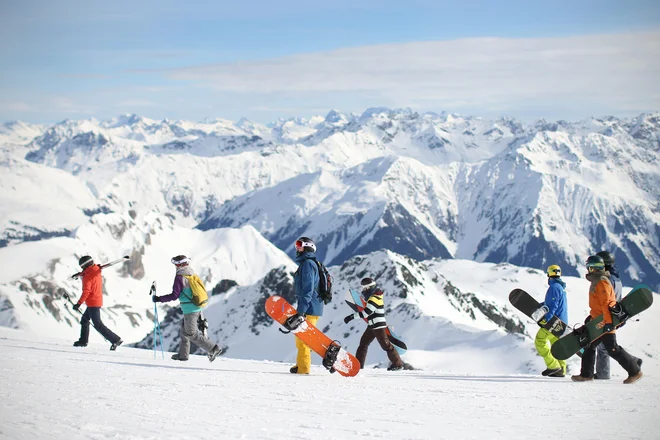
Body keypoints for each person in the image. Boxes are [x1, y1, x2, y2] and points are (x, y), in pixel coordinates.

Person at [571, 255, 643, 384]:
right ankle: (586, 375)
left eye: (590, 267)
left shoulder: (602, 281)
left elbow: (607, 303)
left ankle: (635, 371)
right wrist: (592, 318)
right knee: (589, 344)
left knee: (612, 348)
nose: (588, 270)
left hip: (605, 321)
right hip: (598, 320)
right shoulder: (597, 280)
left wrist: (609, 323)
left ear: (594, 268)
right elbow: (598, 305)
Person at [152, 255, 222, 362]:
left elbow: (174, 295)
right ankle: (183, 355)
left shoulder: (180, 277)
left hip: (190, 310)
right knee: (184, 331)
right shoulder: (191, 273)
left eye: (176, 264)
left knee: (192, 334)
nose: (175, 266)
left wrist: (159, 299)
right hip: (196, 307)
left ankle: (213, 349)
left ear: (180, 264)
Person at [344, 277, 412, 371]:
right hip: (372, 325)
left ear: (368, 288)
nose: (363, 290)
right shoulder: (373, 297)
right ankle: (358, 365)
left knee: (386, 346)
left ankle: (398, 364)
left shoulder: (375, 298)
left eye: (364, 288)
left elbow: (366, 313)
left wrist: (351, 317)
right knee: (363, 344)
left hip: (378, 326)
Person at [72, 255, 123, 350]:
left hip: (92, 303)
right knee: (84, 320)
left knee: (98, 324)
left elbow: (86, 291)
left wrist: (78, 304)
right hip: (97, 300)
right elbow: (89, 271)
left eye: (82, 266)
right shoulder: (96, 271)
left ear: (85, 266)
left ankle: (115, 340)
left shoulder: (88, 277)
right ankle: (83, 341)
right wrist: (80, 274)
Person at [289, 237, 323, 374]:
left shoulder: (308, 264)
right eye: (296, 245)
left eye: (300, 245)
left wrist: (302, 310)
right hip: (310, 306)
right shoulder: (306, 263)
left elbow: (308, 289)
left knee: (304, 339)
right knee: (300, 337)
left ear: (308, 247)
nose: (297, 248)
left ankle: (303, 369)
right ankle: (300, 364)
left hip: (309, 307)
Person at [534, 265, 568, 377]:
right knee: (556, 345)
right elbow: (552, 303)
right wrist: (541, 305)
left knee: (540, 341)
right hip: (562, 322)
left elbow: (553, 305)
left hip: (554, 322)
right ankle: (561, 369)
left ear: (549, 274)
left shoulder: (554, 288)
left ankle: (553, 366)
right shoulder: (560, 288)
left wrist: (546, 319)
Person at [594, 251, 623, 380]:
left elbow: (605, 299)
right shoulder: (617, 278)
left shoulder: (607, 279)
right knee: (605, 345)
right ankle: (602, 372)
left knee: (604, 347)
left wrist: (605, 318)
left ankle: (603, 373)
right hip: (614, 315)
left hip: (606, 316)